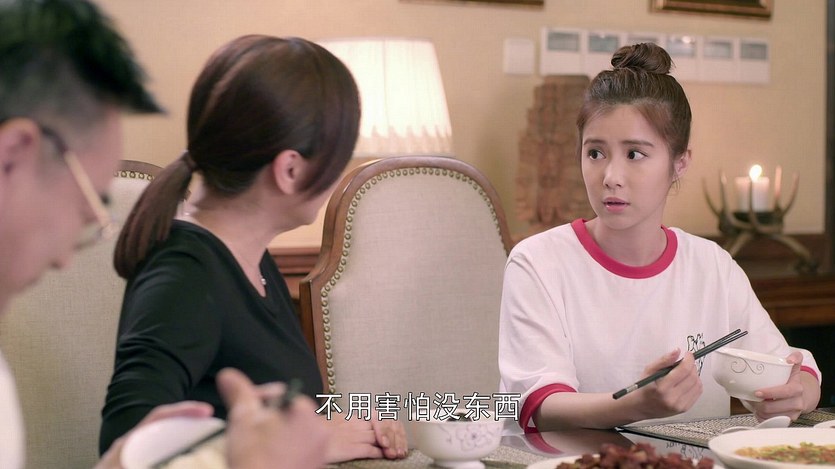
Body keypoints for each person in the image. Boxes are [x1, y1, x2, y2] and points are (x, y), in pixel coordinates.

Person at [0, 1, 329, 468]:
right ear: (13, 155)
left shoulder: (254, 260)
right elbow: (130, 424)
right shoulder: (186, 269)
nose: (64, 261)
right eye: (84, 204)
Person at [98, 34, 408, 463]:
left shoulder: (251, 257)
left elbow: (256, 407)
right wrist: (305, 442)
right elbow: (127, 449)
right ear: (290, 169)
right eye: (339, 159)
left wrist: (347, 425)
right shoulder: (184, 275)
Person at [498, 43, 822, 434]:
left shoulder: (712, 266)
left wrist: (799, 393)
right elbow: (540, 403)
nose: (610, 177)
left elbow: (792, 368)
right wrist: (635, 405)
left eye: (634, 154)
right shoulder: (538, 262)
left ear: (680, 162)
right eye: (595, 153)